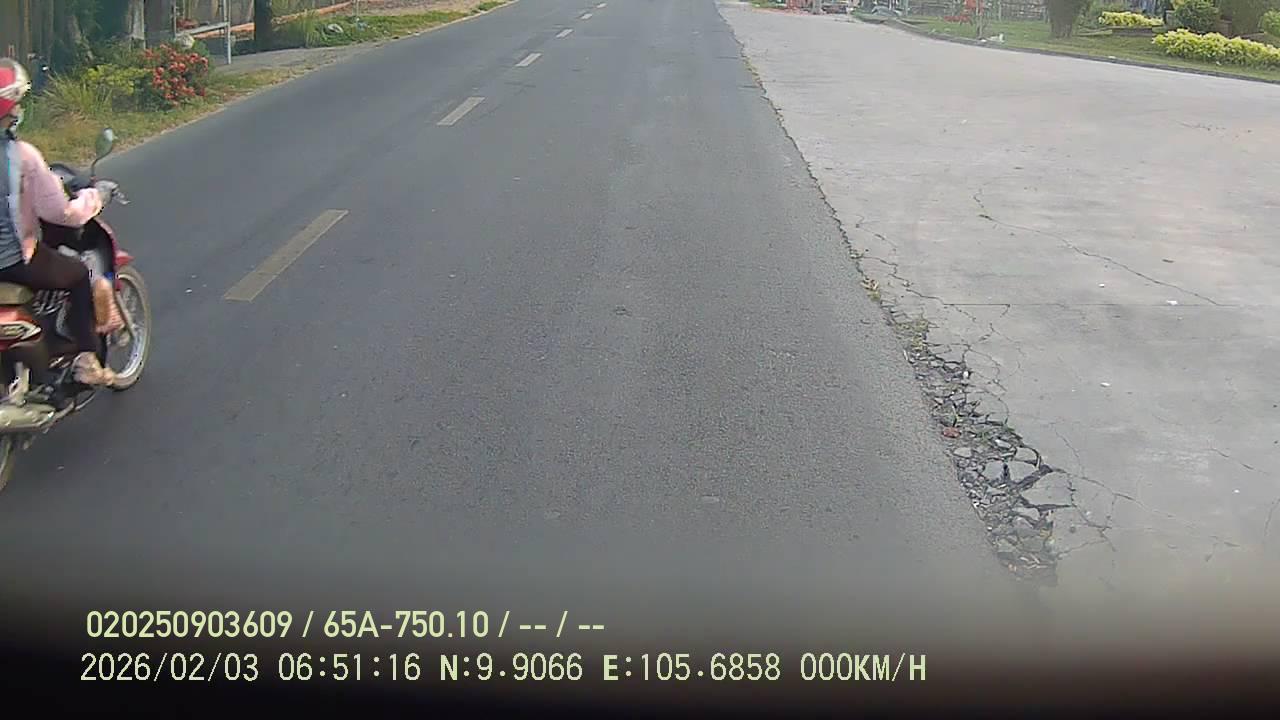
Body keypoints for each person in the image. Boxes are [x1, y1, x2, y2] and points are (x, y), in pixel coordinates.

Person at [0, 58, 117, 386]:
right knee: (78, 275)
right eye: (17, 104)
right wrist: (95, 197)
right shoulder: (22, 156)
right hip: (12, 262)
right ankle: (87, 360)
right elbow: (60, 213)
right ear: (9, 110)